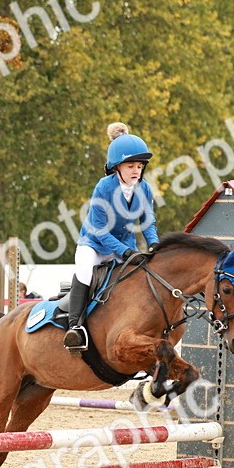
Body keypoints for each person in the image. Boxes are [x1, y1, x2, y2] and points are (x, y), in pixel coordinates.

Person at [64, 122, 160, 351]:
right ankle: (74, 327)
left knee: (136, 277)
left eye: (139, 166)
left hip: (125, 245)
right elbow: (99, 229)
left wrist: (154, 244)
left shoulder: (144, 188)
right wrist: (125, 251)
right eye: (131, 166)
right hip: (94, 244)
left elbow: (147, 221)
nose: (136, 171)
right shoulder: (103, 187)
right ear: (117, 167)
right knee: (85, 271)